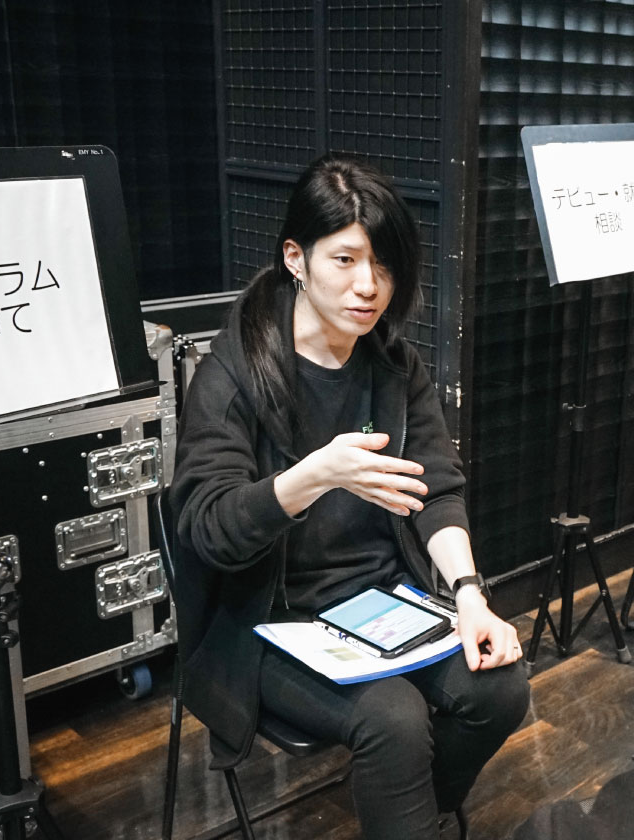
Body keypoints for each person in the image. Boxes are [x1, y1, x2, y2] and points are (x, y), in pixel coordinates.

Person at [168, 152, 530, 840]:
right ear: (296, 259)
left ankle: (411, 816)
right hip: (268, 622)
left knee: (500, 687)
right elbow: (208, 529)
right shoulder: (234, 372)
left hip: (379, 607)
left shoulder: (392, 364)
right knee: (393, 718)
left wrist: (469, 594)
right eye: (345, 260)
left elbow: (436, 487)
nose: (368, 285)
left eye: (384, 265)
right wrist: (317, 474)